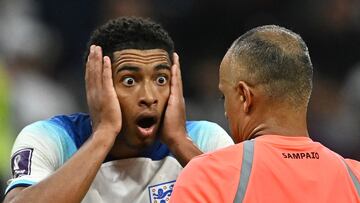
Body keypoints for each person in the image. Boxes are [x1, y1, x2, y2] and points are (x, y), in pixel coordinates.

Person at [3, 17, 233, 203]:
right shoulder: (50, 138)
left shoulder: (206, 139)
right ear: (95, 85)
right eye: (130, 81)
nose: (149, 97)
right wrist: (103, 135)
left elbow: (251, 197)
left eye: (161, 79)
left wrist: (180, 142)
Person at [170, 25, 360, 202]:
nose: (226, 112)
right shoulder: (356, 179)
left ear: (245, 96)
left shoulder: (207, 176)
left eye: (224, 96)